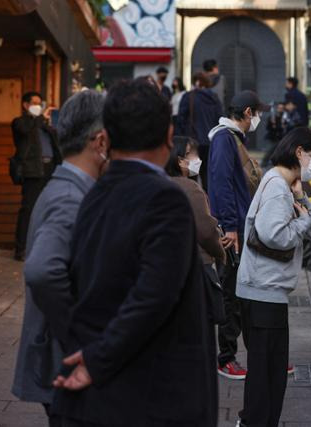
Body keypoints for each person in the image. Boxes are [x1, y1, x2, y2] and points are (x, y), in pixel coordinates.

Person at [51, 80, 218, 426]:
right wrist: (98, 357)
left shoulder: (94, 192)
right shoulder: (165, 198)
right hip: (149, 394)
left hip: (102, 393)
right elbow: (154, 294)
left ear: (107, 137)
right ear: (170, 135)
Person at [11, 90, 106, 427]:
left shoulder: (69, 188)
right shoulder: (69, 196)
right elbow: (42, 271)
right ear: (100, 141)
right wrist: (83, 336)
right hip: (66, 363)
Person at [236, 127, 311, 427]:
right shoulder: (276, 186)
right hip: (263, 291)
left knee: (270, 375)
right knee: (266, 377)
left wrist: (304, 201)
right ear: (299, 152)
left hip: (266, 292)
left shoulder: (286, 186)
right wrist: (301, 222)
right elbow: (273, 234)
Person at [207, 90, 268, 380]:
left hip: (241, 227)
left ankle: (250, 354)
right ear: (247, 113)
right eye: (257, 112)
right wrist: (230, 226)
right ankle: (225, 357)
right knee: (231, 294)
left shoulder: (231, 139)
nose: (258, 118)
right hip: (234, 231)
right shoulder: (223, 139)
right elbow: (220, 185)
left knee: (241, 293)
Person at [11, 91, 62, 261]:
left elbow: (56, 144)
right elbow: (25, 130)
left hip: (49, 169)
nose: (38, 106)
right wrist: (39, 119)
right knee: (29, 209)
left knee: (49, 209)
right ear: (26, 105)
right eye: (35, 103)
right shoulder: (20, 122)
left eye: (40, 103)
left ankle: (42, 247)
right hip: (32, 170)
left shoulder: (43, 125)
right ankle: (21, 249)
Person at [166, 135, 225, 267]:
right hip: (198, 261)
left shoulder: (162, 183)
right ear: (180, 160)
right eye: (192, 154)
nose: (197, 158)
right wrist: (221, 254)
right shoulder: (191, 188)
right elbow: (206, 232)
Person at [178, 72, 223, 191]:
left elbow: (181, 119)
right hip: (210, 144)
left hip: (193, 145)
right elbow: (220, 119)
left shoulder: (189, 97)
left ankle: (195, 204)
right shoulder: (215, 98)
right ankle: (207, 204)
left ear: (195, 82)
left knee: (192, 177)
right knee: (207, 176)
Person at [262, 102, 285, 168]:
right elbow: (268, 128)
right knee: (270, 150)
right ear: (277, 109)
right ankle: (264, 164)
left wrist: (282, 125)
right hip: (273, 137)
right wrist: (272, 124)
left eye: (282, 108)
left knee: (279, 152)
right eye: (279, 108)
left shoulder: (284, 117)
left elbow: (284, 128)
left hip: (281, 137)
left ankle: (277, 164)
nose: (280, 110)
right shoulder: (272, 117)